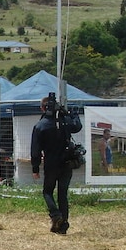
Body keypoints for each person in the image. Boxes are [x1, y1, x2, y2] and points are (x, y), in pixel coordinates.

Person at [31, 96, 82, 235]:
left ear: (42, 108)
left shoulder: (40, 126)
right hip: (67, 162)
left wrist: (35, 168)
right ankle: (63, 224)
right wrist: (72, 114)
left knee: (47, 191)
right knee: (62, 194)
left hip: (51, 163)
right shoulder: (65, 122)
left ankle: (55, 215)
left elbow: (35, 150)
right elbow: (77, 126)